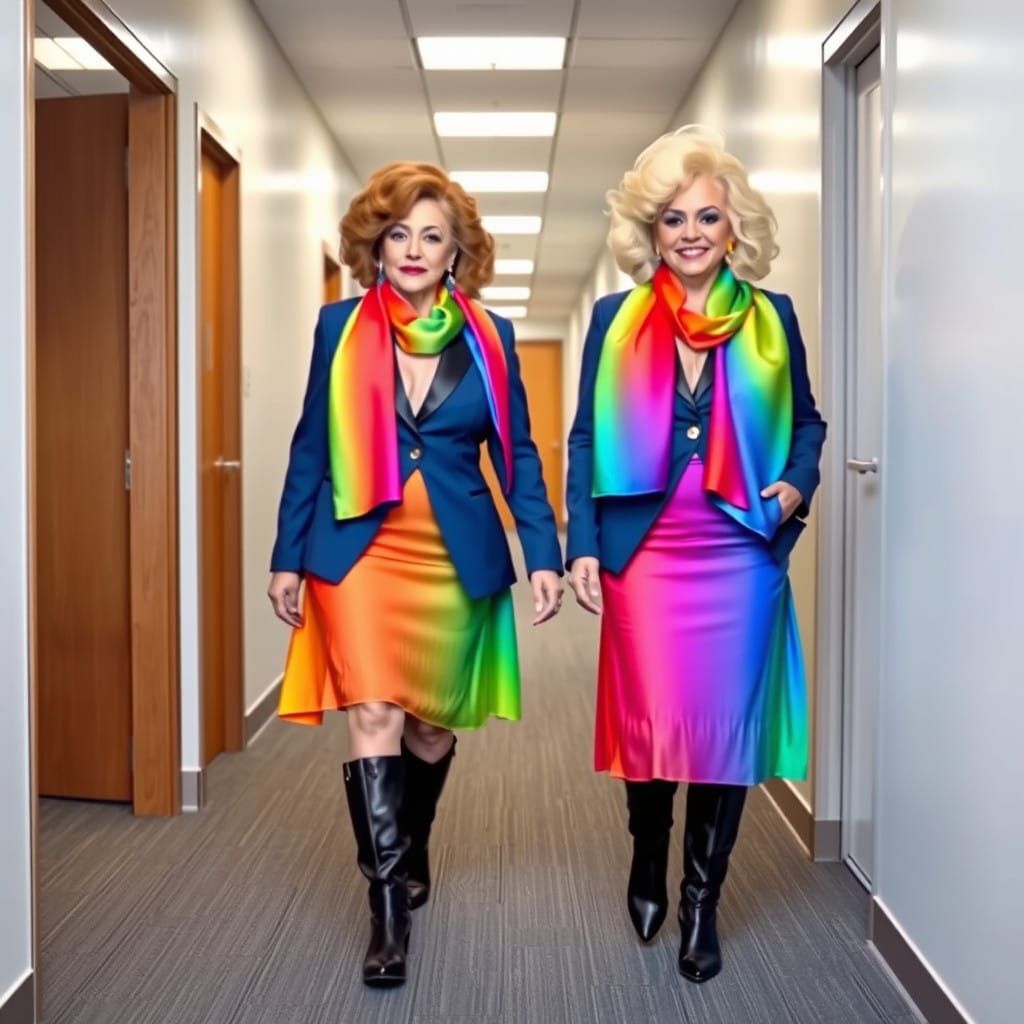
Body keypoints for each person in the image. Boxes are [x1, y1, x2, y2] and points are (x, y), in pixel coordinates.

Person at [268, 161, 563, 987]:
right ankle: (387, 907)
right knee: (371, 712)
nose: (413, 248)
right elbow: (310, 447)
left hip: (452, 557)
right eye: (398, 232)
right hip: (359, 552)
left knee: (430, 727)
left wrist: (540, 552)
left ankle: (413, 840)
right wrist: (288, 555)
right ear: (375, 242)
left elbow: (518, 455)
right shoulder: (339, 326)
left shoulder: (490, 337)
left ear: (455, 253)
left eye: (432, 235)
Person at [566, 126, 826, 983]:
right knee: (652, 727)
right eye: (672, 218)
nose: (689, 233)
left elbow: (809, 426)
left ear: (733, 228)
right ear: (651, 231)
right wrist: (582, 548)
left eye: (706, 217)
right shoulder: (614, 319)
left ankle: (699, 902)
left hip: (739, 555)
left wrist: (791, 487)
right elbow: (581, 441)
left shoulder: (772, 317)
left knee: (722, 733)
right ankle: (648, 852)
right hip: (645, 553)